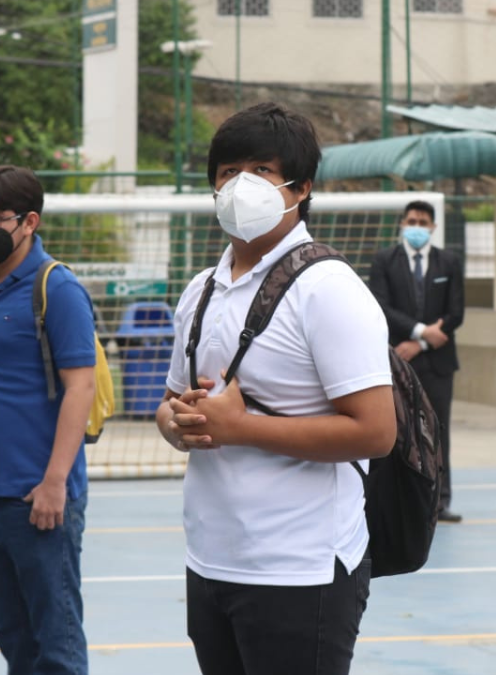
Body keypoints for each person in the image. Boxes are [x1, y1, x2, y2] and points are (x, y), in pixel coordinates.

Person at [156, 102, 396, 675]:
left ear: (300, 187)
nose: (241, 185)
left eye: (261, 170)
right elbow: (173, 404)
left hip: (299, 568)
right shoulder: (201, 290)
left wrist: (241, 428)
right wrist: (176, 424)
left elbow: (376, 430)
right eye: (227, 171)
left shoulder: (329, 289)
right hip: (211, 560)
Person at [0, 165, 98, 675]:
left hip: (39, 498)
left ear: (30, 222)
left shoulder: (56, 290)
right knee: (16, 644)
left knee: (56, 647)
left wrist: (55, 482)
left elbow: (81, 387)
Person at [367, 200, 465, 522]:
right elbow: (381, 306)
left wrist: (420, 343)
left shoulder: (449, 262)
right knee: (395, 431)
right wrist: (419, 331)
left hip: (437, 363)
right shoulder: (384, 261)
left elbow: (456, 313)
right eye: (412, 220)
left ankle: (441, 501)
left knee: (438, 432)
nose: (417, 227)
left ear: (433, 227)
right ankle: (397, 501)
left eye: (423, 222)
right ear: (402, 223)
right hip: (396, 362)